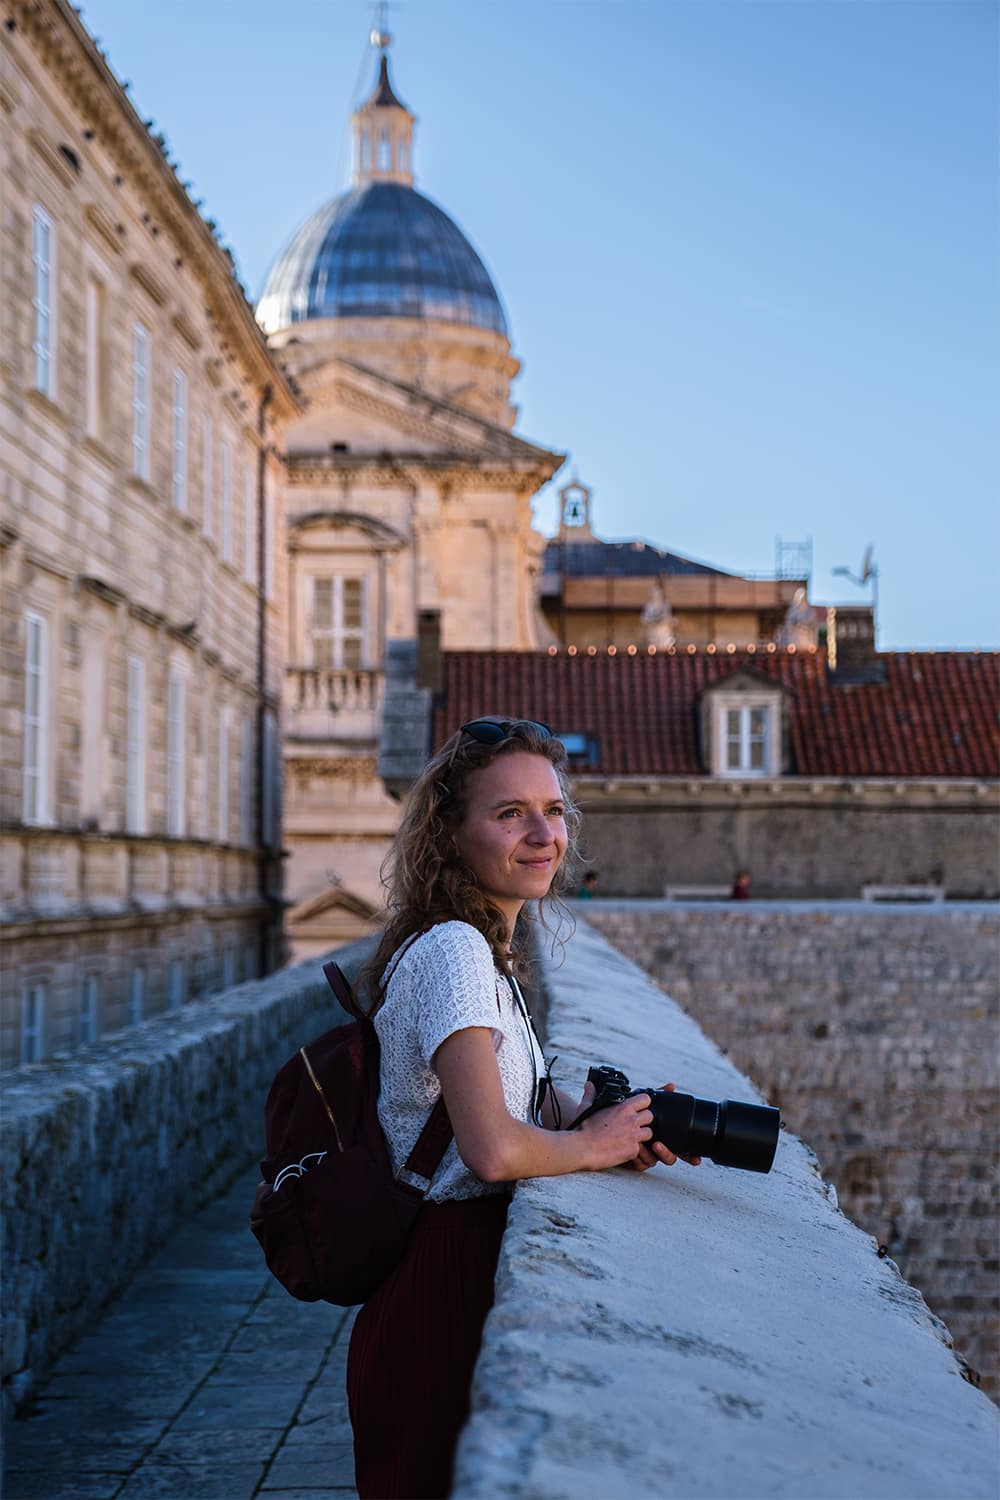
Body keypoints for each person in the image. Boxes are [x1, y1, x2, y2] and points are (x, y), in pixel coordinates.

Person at [349, 717, 699, 1499]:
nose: (544, 834)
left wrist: (622, 1122)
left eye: (554, 810)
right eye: (510, 814)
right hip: (440, 1286)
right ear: (449, 832)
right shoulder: (455, 953)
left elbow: (515, 1111)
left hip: (457, 1272)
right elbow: (494, 1151)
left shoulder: (483, 949)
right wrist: (594, 1147)